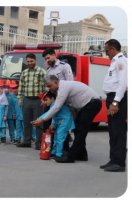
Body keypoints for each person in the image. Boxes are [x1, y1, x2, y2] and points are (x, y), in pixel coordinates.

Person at [32, 75, 102, 163]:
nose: (49, 88)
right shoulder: (61, 87)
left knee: (80, 130)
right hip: (87, 105)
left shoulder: (63, 88)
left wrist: (42, 119)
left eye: (49, 86)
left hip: (92, 103)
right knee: (78, 129)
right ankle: (82, 155)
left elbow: (56, 107)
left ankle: (70, 157)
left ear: (56, 82)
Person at [100, 39, 127, 172]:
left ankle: (119, 163)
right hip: (113, 97)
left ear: (112, 49)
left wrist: (115, 102)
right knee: (112, 131)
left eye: (107, 50)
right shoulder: (115, 61)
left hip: (118, 99)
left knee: (118, 131)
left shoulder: (121, 61)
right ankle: (113, 159)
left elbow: (123, 83)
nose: (106, 53)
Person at [17, 53, 46, 150]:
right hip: (27, 100)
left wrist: (44, 99)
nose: (29, 63)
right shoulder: (24, 73)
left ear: (35, 61)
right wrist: (20, 99)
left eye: (31, 61)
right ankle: (26, 141)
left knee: (38, 122)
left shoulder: (41, 72)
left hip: (38, 101)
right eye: (28, 61)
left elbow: (46, 87)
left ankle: (38, 143)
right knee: (26, 122)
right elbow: (21, 87)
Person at [35, 91, 75, 159]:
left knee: (59, 138)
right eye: (44, 100)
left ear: (52, 98)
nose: (45, 102)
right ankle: (54, 152)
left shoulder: (55, 105)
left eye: (46, 100)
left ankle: (58, 154)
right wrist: (52, 125)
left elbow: (49, 114)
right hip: (60, 122)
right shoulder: (53, 105)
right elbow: (53, 116)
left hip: (65, 122)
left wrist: (39, 119)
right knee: (56, 137)